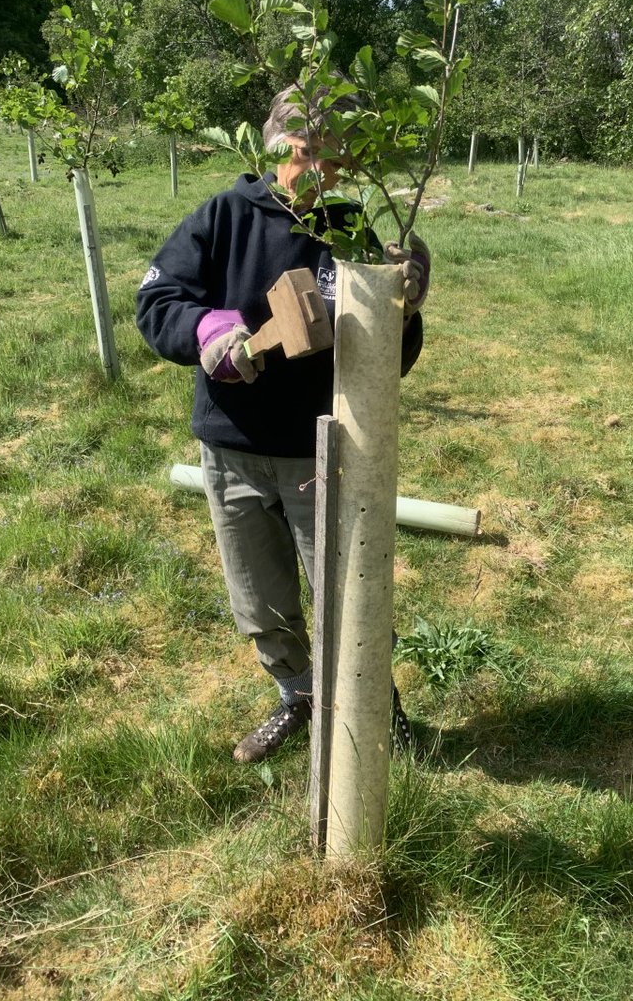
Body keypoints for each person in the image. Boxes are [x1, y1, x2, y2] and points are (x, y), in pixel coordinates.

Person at [136, 83, 430, 763]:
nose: (321, 172)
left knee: (345, 591)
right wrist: (203, 326)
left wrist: (402, 311)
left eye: (335, 159)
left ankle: (371, 705)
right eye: (306, 154)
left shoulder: (349, 230)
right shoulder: (222, 218)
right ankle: (297, 694)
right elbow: (157, 300)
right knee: (259, 595)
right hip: (232, 450)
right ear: (275, 150)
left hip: (320, 449)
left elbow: (394, 361)